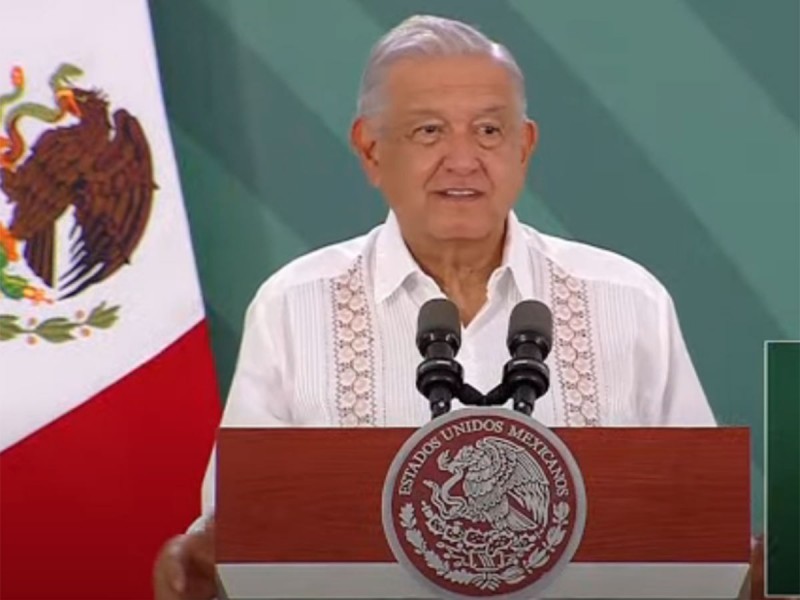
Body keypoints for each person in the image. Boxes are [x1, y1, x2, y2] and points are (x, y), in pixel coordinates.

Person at [153, 14, 769, 600]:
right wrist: (196, 558)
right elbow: (237, 535)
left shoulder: (627, 300)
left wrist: (750, 565)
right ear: (370, 150)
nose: (464, 159)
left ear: (524, 147)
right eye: (429, 131)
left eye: (489, 131)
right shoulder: (294, 307)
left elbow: (698, 528)